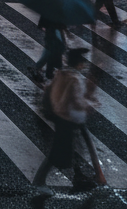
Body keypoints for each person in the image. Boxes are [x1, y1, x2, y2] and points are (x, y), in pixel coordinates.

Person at [33, 47, 105, 194]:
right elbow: (77, 101)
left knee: (80, 145)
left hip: (64, 117)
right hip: (69, 118)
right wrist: (91, 103)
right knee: (59, 151)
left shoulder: (61, 74)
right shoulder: (74, 79)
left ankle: (89, 177)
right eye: (83, 63)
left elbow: (51, 90)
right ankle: (39, 181)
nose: (84, 66)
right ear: (79, 64)